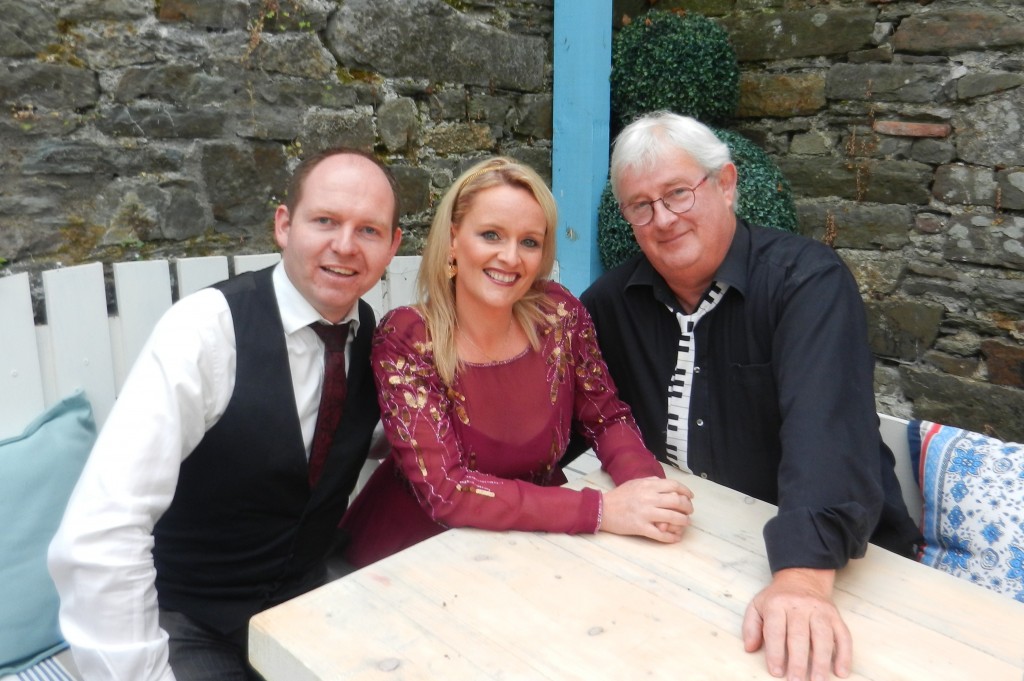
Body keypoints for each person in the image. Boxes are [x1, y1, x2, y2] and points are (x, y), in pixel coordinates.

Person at [577, 112, 923, 681]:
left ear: (727, 183)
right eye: (641, 206)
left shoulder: (806, 281)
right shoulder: (613, 301)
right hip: (686, 547)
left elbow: (827, 434)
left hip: (836, 563)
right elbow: (558, 395)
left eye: (678, 193)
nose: (662, 219)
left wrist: (803, 576)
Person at [47, 147, 403, 681]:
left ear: (394, 245)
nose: (345, 246)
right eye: (325, 220)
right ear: (284, 225)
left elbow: (365, 435)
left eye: (369, 230)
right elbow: (104, 528)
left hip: (302, 606)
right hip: (188, 619)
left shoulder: (375, 336)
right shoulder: (205, 330)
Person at [338, 157, 694, 568]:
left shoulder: (557, 314)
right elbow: (447, 491)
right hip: (419, 552)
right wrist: (602, 511)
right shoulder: (409, 338)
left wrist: (648, 491)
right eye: (491, 235)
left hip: (540, 540)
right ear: (453, 240)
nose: (511, 257)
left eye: (529, 242)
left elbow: (606, 417)